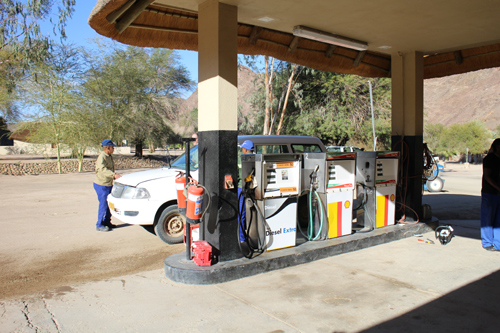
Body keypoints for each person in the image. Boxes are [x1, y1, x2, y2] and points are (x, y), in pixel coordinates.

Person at [94, 139, 122, 232]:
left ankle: (107, 222)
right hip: (102, 185)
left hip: (108, 183)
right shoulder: (102, 157)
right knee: (103, 205)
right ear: (108, 148)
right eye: (112, 148)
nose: (113, 149)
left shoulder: (108, 156)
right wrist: (113, 175)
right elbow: (102, 170)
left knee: (109, 204)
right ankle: (100, 224)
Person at [481, 138, 500, 251]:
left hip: (498, 194)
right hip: (490, 193)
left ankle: (498, 244)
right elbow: (487, 176)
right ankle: (487, 242)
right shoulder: (489, 159)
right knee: (487, 218)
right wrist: (498, 187)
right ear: (497, 147)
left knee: (498, 220)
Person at [238, 140, 254, 242]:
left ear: (245, 149)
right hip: (253, 189)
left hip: (241, 188)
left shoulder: (240, 158)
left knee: (241, 214)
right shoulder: (256, 158)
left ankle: (242, 238)